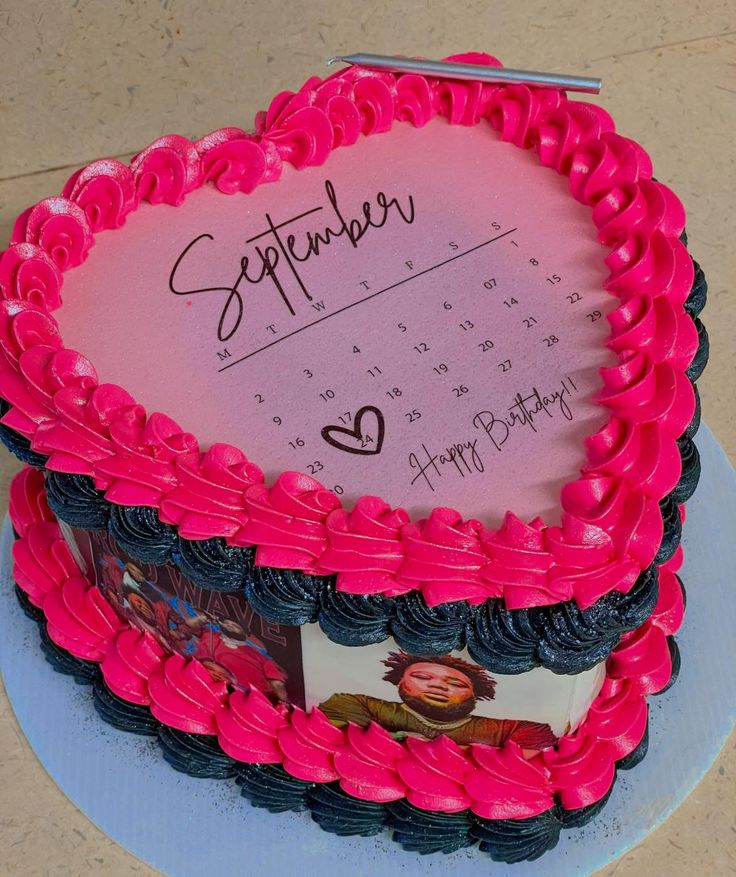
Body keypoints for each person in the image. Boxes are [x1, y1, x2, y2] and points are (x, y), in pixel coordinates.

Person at [318, 651, 556, 750]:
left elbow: (533, 751)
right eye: (422, 677)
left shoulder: (508, 727)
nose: (439, 685)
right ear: (400, 681)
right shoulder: (357, 703)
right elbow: (338, 736)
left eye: (456, 684)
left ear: (474, 696)